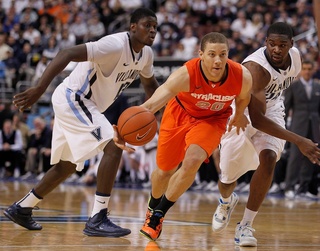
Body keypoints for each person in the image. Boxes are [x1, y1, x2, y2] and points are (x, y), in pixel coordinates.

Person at [4, 8, 159, 237]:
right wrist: (39, 88)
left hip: (85, 104)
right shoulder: (114, 45)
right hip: (74, 97)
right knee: (113, 145)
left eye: (155, 27)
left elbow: (151, 87)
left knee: (66, 166)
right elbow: (66, 53)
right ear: (133, 27)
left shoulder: (146, 55)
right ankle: (98, 217)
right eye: (148, 25)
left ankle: (22, 208)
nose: (153, 30)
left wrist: (167, 112)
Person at [115, 32, 253, 241]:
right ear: (201, 55)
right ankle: (152, 206)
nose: (218, 60)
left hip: (211, 120)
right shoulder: (186, 74)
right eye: (212, 54)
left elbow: (244, 96)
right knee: (164, 172)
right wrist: (125, 129)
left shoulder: (241, 76)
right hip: (179, 115)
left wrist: (240, 114)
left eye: (223, 54)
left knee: (192, 161)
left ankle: (158, 214)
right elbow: (151, 105)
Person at [211, 22, 320, 247]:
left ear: (292, 44)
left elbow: (271, 102)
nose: (277, 49)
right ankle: (225, 201)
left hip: (271, 109)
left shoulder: (297, 58)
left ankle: (245, 226)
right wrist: (299, 140)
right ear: (265, 43)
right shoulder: (255, 68)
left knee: (269, 158)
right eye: (272, 44)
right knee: (227, 179)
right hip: (241, 113)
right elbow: (257, 120)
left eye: (282, 45)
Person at [283, 60, 320, 199]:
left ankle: (303, 188)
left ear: (313, 70)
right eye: (304, 68)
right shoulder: (294, 86)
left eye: (309, 68)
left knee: (311, 157)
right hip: (297, 127)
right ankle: (289, 187)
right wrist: (284, 127)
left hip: (314, 127)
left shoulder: (317, 86)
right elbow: (286, 107)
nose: (307, 71)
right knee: (295, 157)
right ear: (301, 70)